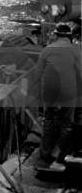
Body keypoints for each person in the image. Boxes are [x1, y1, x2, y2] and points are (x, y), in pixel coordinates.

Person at [35, 24, 82, 172]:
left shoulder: (47, 49)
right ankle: (57, 155)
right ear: (69, 37)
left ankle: (45, 155)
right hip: (68, 92)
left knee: (48, 121)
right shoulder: (76, 50)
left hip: (49, 92)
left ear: (56, 35)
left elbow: (37, 74)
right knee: (66, 124)